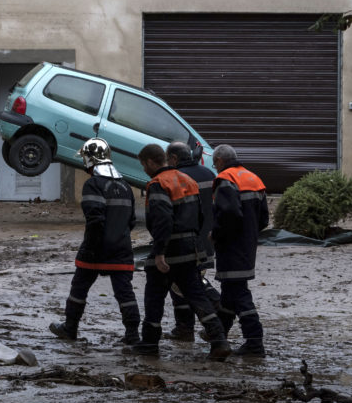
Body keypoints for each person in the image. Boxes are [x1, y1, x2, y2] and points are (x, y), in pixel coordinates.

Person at [129, 144, 231, 360]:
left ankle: (149, 342)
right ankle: (219, 339)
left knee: (154, 294)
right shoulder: (188, 180)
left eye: (143, 165)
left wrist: (158, 253)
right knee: (195, 293)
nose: (144, 169)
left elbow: (162, 220)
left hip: (170, 249)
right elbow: (203, 215)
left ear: (148, 162)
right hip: (191, 246)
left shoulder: (157, 184)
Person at [49, 138, 140, 345]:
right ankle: (133, 335)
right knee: (125, 293)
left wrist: (91, 248)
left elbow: (95, 219)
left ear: (90, 160)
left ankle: (70, 328)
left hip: (96, 249)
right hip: (122, 249)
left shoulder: (93, 184)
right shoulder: (125, 186)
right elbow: (131, 221)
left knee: (78, 289)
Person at [211, 143, 269, 357]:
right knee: (229, 293)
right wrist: (249, 234)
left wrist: (215, 234)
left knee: (240, 294)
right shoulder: (253, 178)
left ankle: (254, 341)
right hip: (247, 246)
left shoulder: (226, 179)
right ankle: (218, 336)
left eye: (214, 163)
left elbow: (229, 214)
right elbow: (264, 218)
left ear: (219, 161)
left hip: (231, 247)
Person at [164, 141, 221, 342]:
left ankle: (189, 325)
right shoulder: (208, 175)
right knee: (188, 281)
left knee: (183, 283)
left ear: (173, 158)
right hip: (208, 239)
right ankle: (185, 328)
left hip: (186, 241)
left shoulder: (175, 179)